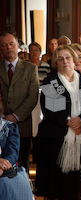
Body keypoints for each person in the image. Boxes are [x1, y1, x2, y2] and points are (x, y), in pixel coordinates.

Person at [35, 45, 81, 200]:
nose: (64, 61)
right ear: (56, 62)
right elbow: (50, 108)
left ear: (74, 60)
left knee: (79, 185)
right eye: (60, 59)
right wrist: (69, 121)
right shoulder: (50, 81)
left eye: (68, 57)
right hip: (56, 139)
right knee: (58, 186)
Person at [0, 32, 39, 173]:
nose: (8, 48)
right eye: (4, 45)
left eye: (11, 44)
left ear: (18, 46)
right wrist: (3, 117)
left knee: (22, 166)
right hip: (0, 123)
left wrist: (15, 116)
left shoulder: (30, 68)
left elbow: (33, 96)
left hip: (22, 124)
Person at [0, 99, 33, 200]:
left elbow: (12, 154)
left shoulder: (10, 127)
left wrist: (2, 165)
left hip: (5, 169)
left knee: (13, 183)